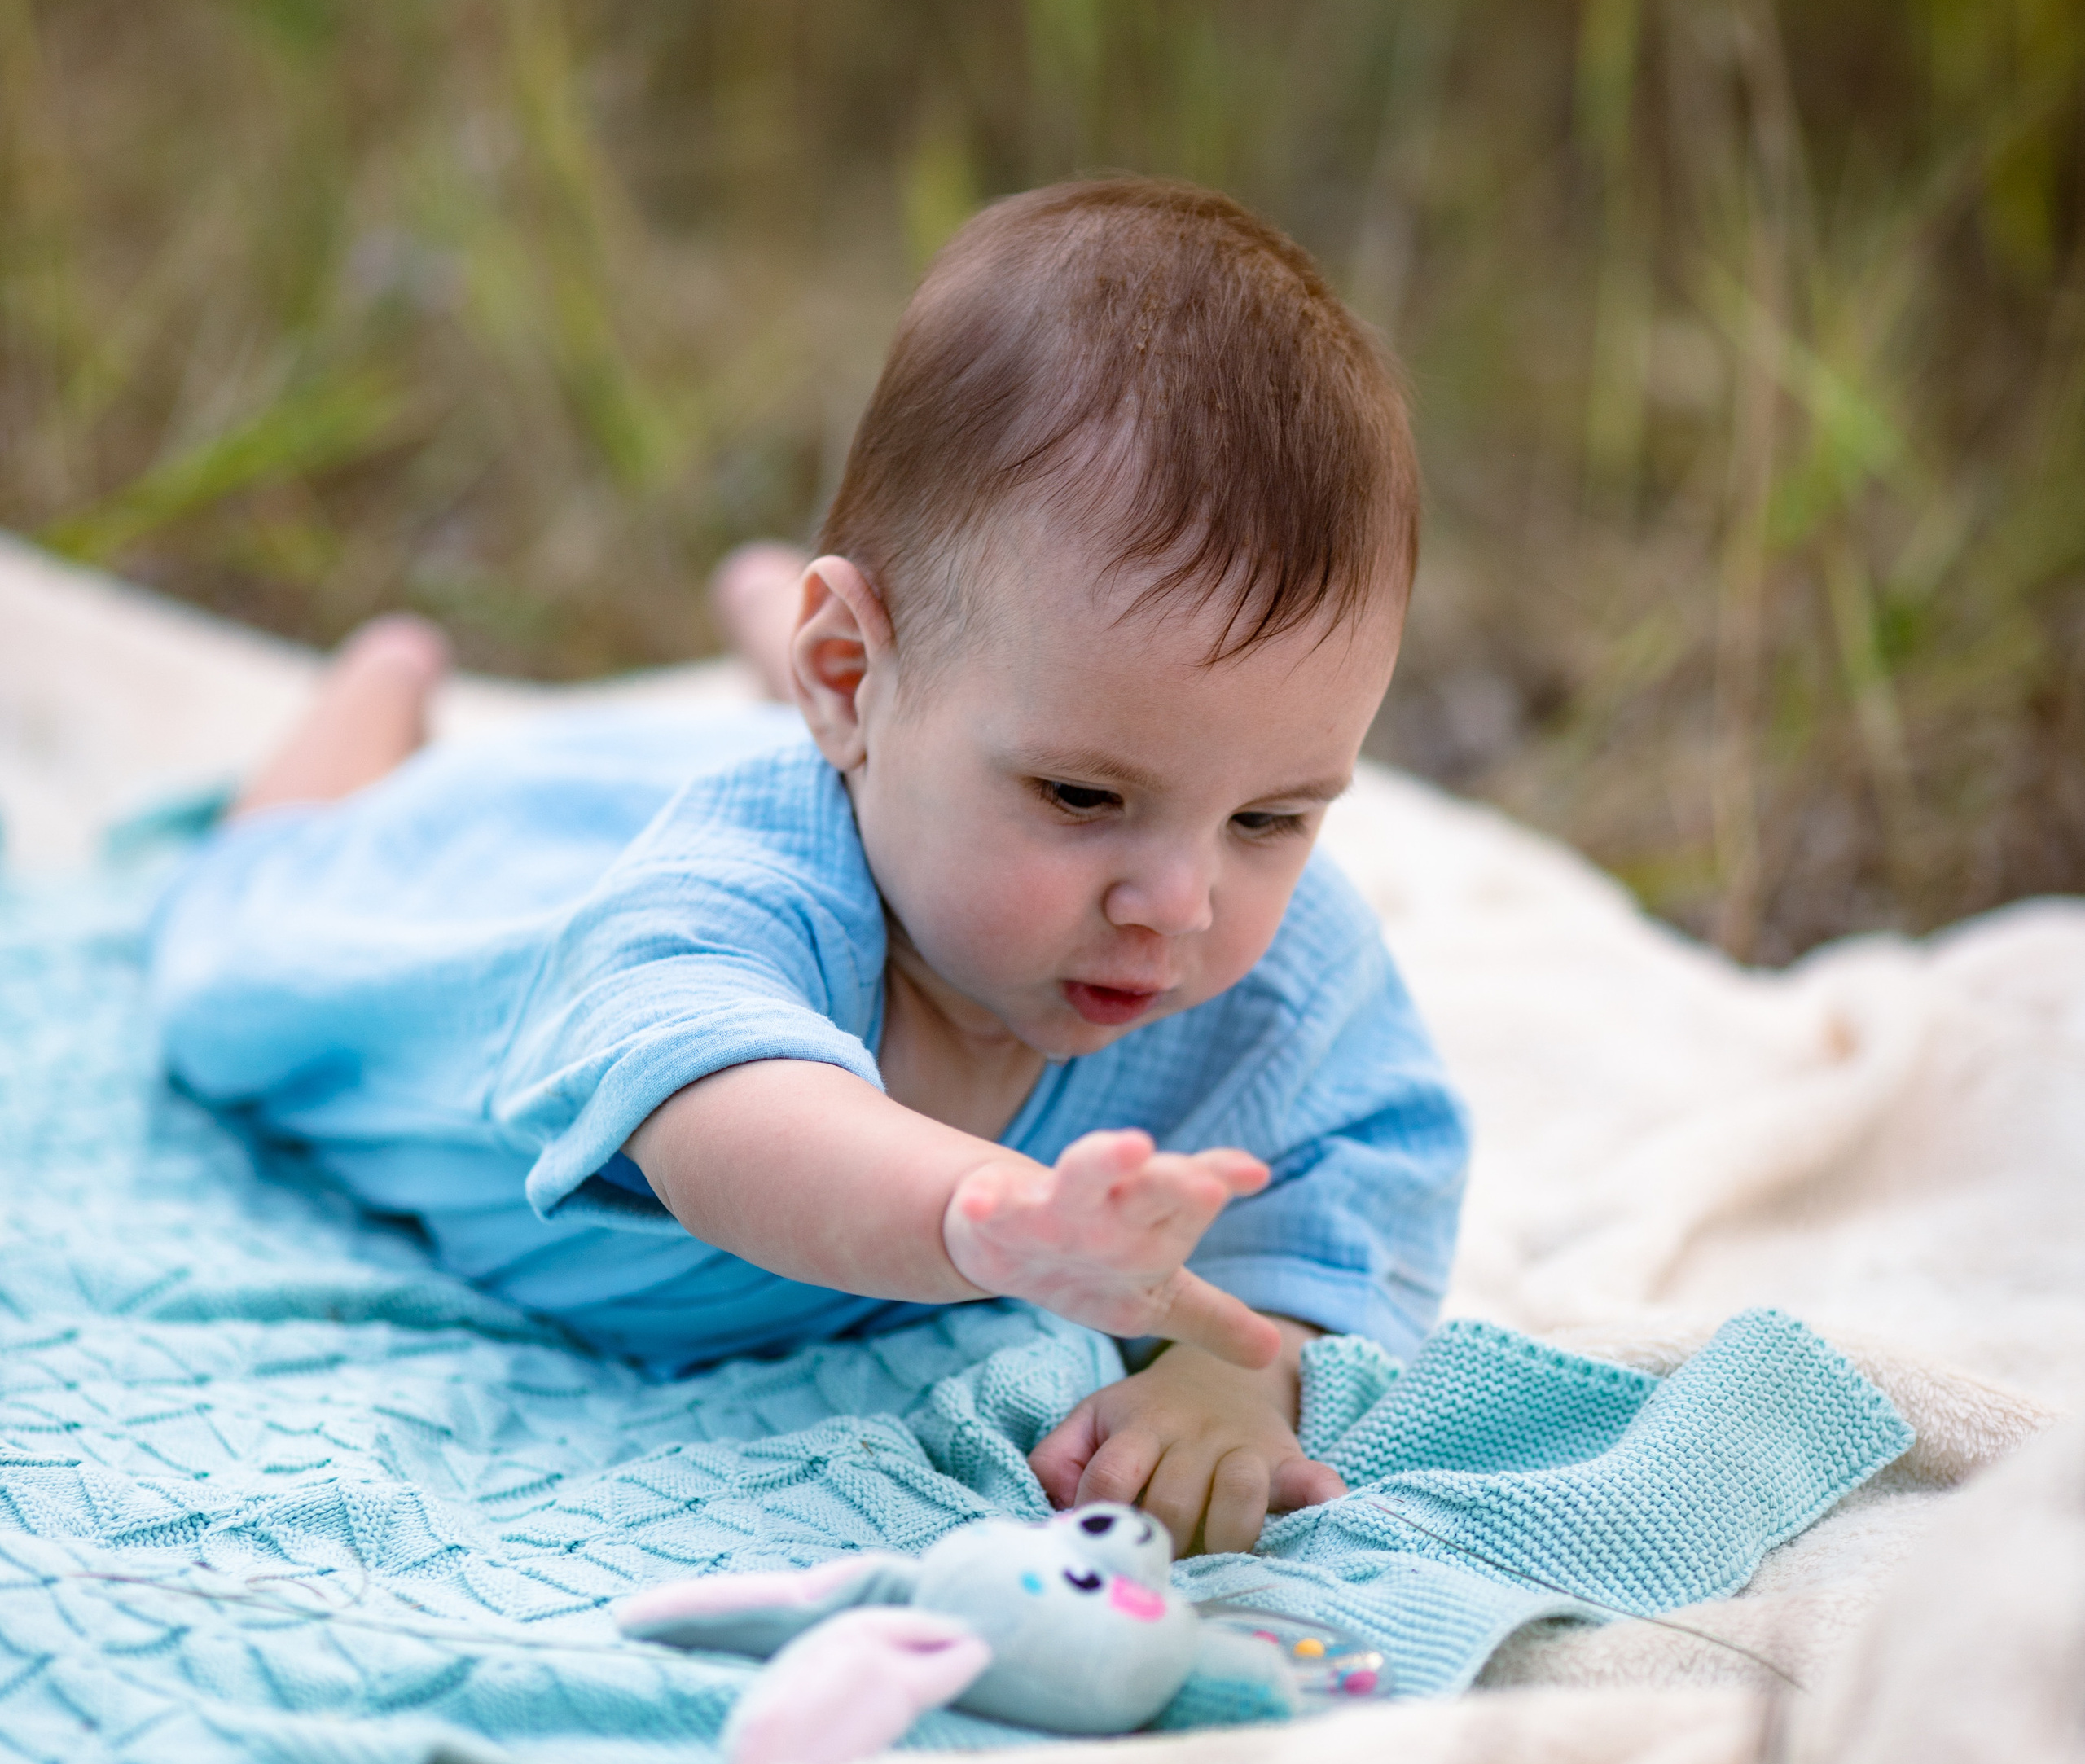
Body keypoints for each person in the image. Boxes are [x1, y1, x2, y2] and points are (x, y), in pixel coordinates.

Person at [151, 178, 1468, 1553]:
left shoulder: (1267, 952)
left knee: (941, 724)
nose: (1181, 903)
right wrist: (981, 1219)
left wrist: (1237, 1370)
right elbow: (729, 1119)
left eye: (1274, 817)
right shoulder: (715, 907)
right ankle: (383, 684)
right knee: (233, 936)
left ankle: (800, 639)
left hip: (868, 739)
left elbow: (1363, 1160)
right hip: (504, 918)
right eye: (1085, 796)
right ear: (843, 673)